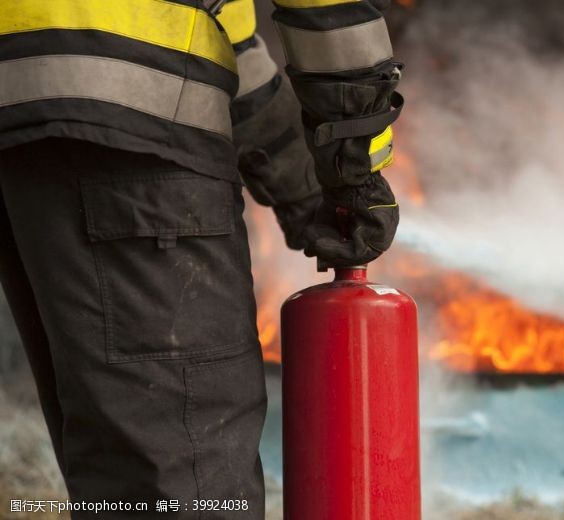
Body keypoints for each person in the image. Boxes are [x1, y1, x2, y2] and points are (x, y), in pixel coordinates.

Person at [0, 0, 402, 517]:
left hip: (29, 118)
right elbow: (331, 12)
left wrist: (305, 187)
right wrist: (357, 164)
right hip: (139, 139)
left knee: (125, 475)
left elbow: (217, 37)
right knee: (190, 478)